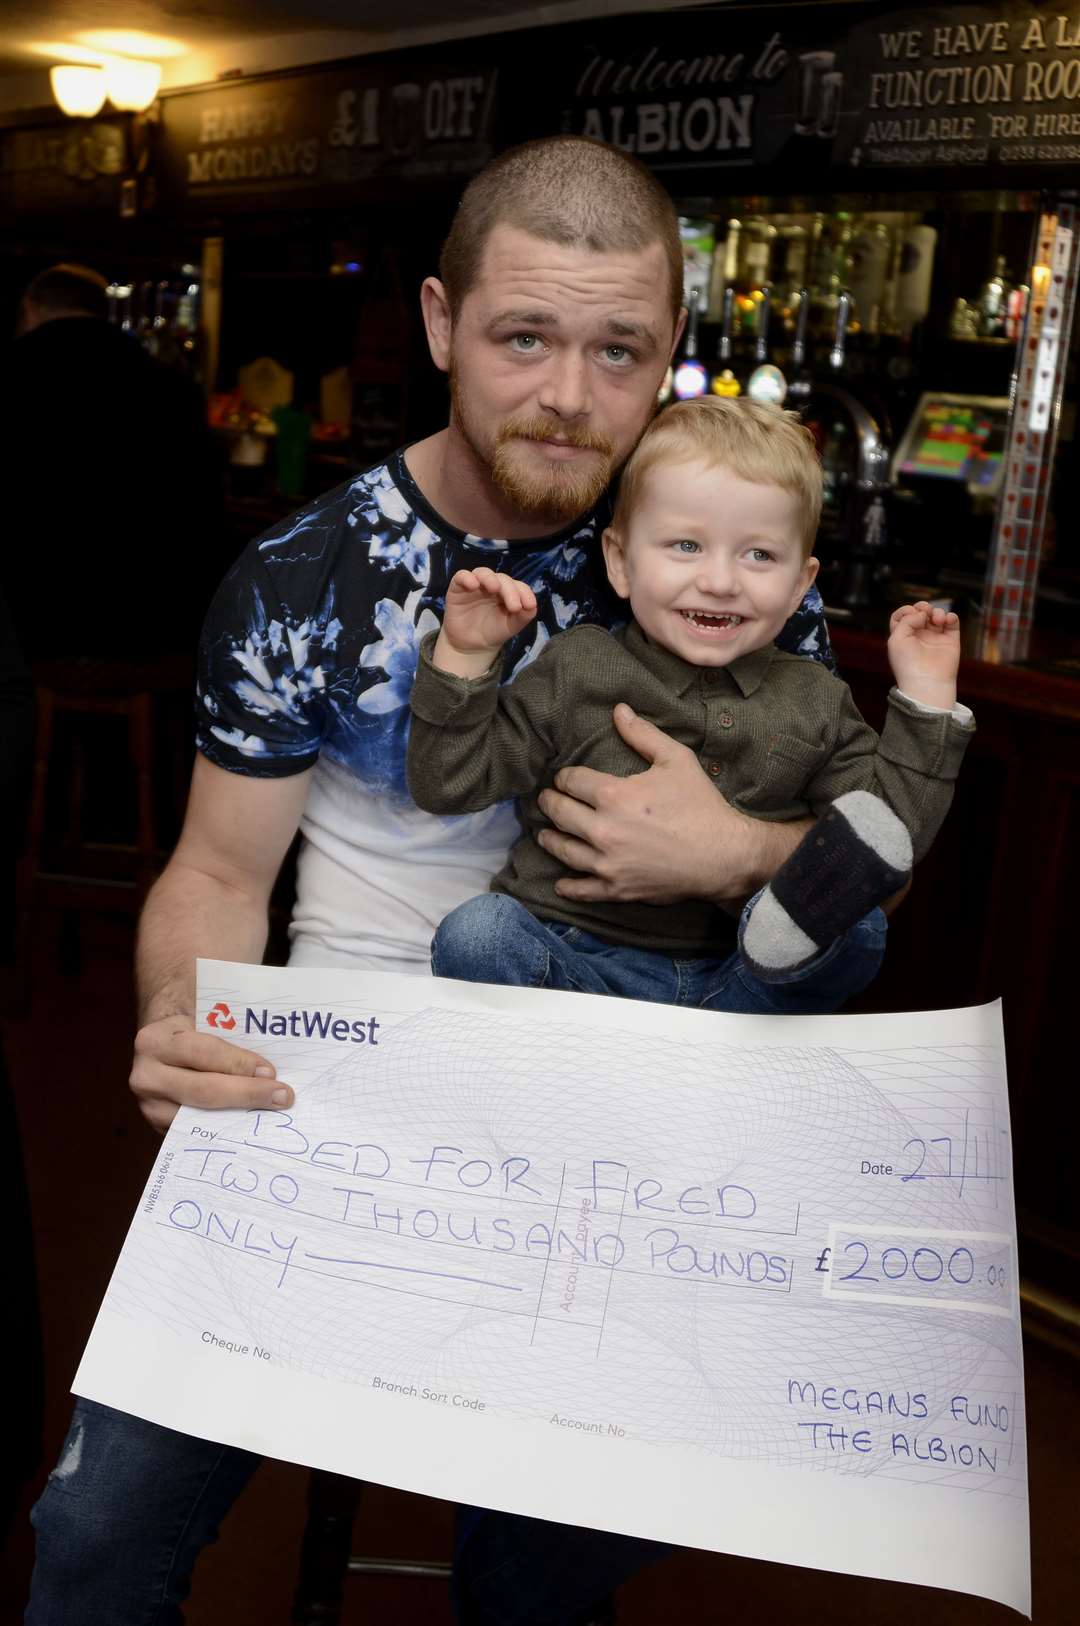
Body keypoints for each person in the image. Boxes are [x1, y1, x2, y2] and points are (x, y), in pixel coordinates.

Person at [29, 139, 852, 1626]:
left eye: (620, 350)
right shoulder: (304, 572)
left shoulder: (742, 567)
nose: (569, 395)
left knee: (551, 1570)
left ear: (672, 346)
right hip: (344, 1096)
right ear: (438, 321)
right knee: (91, 1534)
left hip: (626, 1126)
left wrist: (734, 851)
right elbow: (219, 869)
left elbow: (864, 882)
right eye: (523, 336)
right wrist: (177, 1009)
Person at [408, 398, 973, 1011]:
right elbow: (448, 784)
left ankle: (713, 1035)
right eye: (685, 545)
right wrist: (464, 657)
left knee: (858, 923)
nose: (721, 580)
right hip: (571, 965)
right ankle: (611, 1063)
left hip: (737, 978)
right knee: (477, 932)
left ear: (799, 586)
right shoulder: (579, 668)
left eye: (759, 554)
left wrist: (926, 699)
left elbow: (888, 841)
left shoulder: (817, 701)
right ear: (621, 562)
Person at [0, 262, 226, 662]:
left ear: (32, 307)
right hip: (156, 616)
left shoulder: (13, 375)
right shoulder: (172, 387)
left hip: (36, 617)